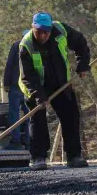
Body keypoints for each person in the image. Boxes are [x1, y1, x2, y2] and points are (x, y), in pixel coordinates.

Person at [19, 12, 91, 170]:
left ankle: (74, 156)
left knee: (70, 116)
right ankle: (38, 157)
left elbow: (80, 43)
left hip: (60, 82)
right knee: (37, 120)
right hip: (35, 86)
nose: (43, 35)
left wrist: (83, 65)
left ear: (51, 29)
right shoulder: (26, 45)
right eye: (39, 32)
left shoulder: (61, 30)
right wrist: (39, 96)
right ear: (33, 28)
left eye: (46, 31)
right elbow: (28, 76)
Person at [2, 33, 30, 150]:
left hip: (16, 85)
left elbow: (9, 64)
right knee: (29, 114)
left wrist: (6, 83)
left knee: (14, 113)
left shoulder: (16, 45)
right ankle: (29, 141)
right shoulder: (35, 45)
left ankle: (16, 141)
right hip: (30, 86)